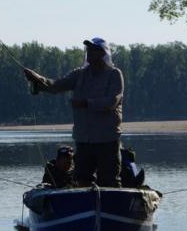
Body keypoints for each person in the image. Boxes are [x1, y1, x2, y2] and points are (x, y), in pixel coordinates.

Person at [24, 37, 124, 187]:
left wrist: (86, 103)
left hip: (107, 140)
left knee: (109, 181)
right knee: (82, 180)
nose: (89, 52)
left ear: (103, 53)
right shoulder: (79, 74)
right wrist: (38, 79)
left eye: (94, 50)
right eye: (88, 49)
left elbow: (112, 101)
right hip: (84, 140)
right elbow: (57, 86)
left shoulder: (114, 74)